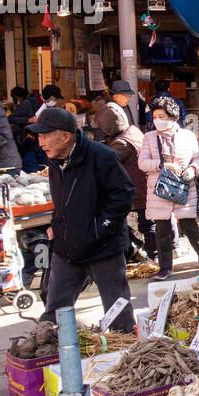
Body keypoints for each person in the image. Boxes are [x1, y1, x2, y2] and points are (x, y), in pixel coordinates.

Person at [29, 107, 135, 332]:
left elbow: (124, 194)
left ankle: (127, 354)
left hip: (103, 247)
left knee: (118, 311)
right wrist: (57, 224)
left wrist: (100, 228)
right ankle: (50, 354)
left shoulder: (101, 156)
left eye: (45, 136)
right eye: (39, 136)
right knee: (55, 309)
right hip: (66, 248)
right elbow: (63, 201)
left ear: (65, 136)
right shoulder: (55, 160)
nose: (41, 142)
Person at [139, 96, 199, 280]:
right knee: (161, 228)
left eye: (161, 116)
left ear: (172, 117)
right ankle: (165, 267)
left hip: (184, 185)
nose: (157, 121)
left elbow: (198, 158)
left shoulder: (187, 136)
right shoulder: (149, 137)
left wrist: (192, 169)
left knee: (188, 225)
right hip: (159, 188)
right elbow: (142, 162)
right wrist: (161, 165)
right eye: (154, 117)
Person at [94, 99, 155, 263]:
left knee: (147, 224)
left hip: (140, 188)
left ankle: (154, 256)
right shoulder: (132, 130)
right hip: (145, 184)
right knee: (151, 221)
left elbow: (106, 164)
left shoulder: (121, 143)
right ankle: (160, 252)